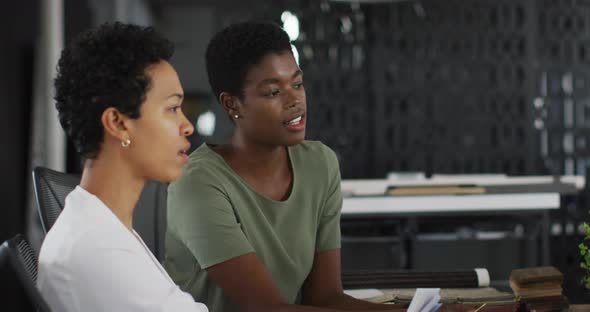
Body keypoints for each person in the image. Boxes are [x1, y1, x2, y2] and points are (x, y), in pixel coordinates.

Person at [164, 21, 473, 312]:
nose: (294, 100)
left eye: (297, 84)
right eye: (274, 92)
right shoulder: (198, 183)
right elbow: (267, 310)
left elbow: (326, 297)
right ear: (232, 104)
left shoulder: (319, 163)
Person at [37, 22, 208, 312]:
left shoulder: (108, 230)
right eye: (172, 108)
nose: (187, 126)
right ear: (118, 123)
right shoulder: (96, 251)